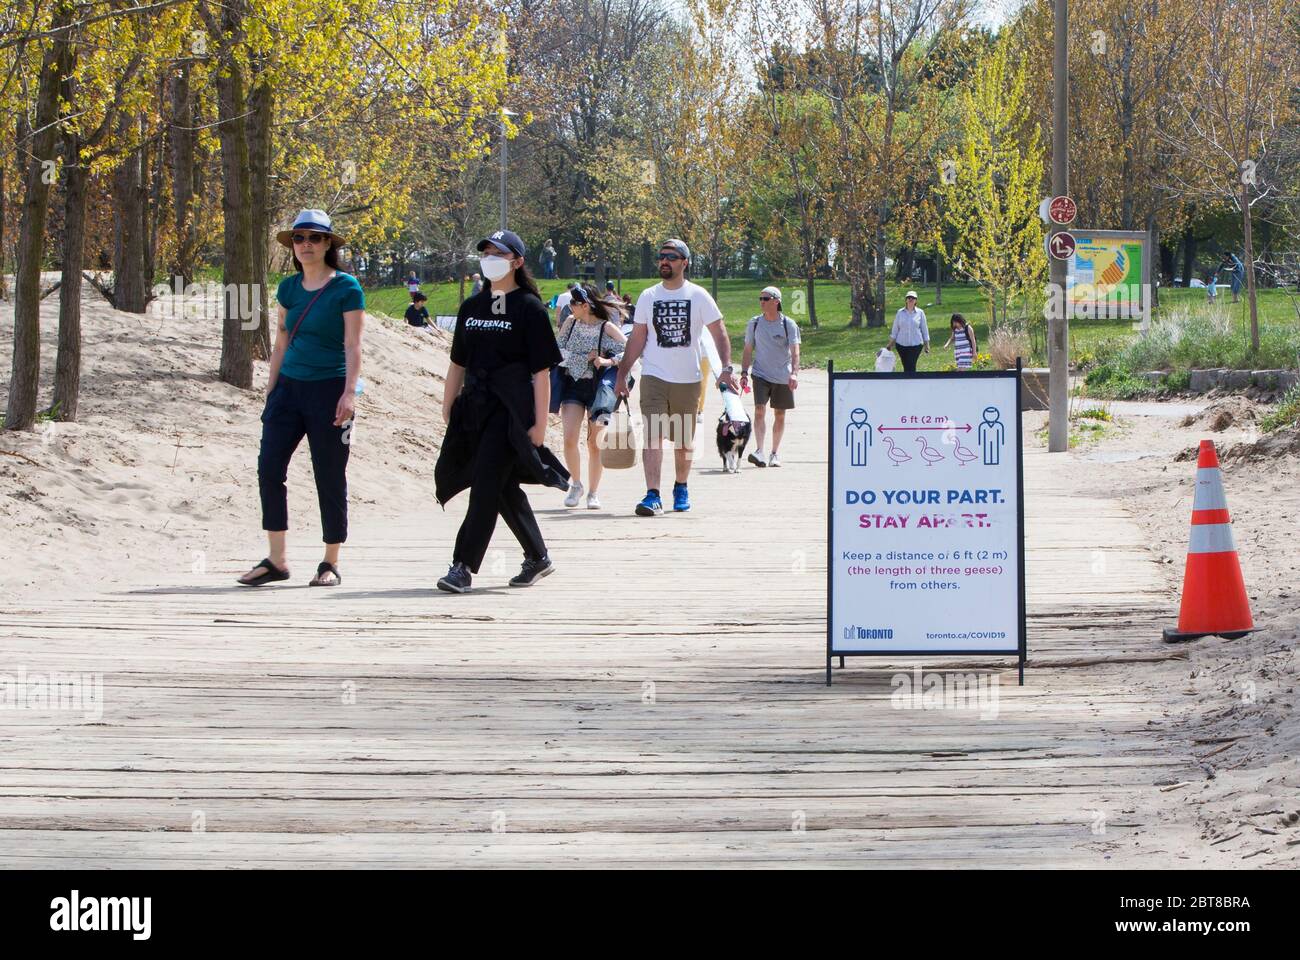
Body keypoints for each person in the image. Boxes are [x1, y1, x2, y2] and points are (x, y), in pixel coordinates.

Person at [433, 229, 569, 593]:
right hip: (474, 407)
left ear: (518, 262)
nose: (491, 257)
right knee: (502, 485)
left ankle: (462, 565)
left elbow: (542, 373)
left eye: (500, 253)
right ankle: (538, 557)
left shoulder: (529, 307)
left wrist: (541, 424)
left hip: (511, 409)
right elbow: (457, 363)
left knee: (486, 482)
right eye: (487, 251)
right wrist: (448, 406)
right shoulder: (471, 307)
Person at [238, 209, 364, 588]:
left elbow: (353, 344)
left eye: (313, 238)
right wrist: (272, 387)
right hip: (288, 390)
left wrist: (349, 394)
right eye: (298, 238)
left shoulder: (347, 288)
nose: (305, 245)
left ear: (328, 243)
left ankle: (330, 561)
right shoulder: (288, 288)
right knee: (269, 468)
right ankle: (276, 559)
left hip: (330, 389)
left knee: (329, 473)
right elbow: (281, 339)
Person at [615, 238, 736, 516]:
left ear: (685, 262)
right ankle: (652, 495)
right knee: (653, 436)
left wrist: (727, 368)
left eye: (671, 256)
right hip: (654, 376)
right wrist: (622, 374)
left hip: (688, 380)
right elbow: (637, 338)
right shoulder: (648, 296)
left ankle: (681, 486)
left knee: (682, 441)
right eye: (661, 256)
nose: (664, 261)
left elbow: (719, 332)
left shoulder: (698, 295)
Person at [555, 284, 627, 510]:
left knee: (594, 442)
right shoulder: (570, 323)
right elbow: (556, 351)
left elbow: (629, 351)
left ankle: (594, 492)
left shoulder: (606, 328)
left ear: (585, 306)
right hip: (572, 385)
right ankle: (576, 484)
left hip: (597, 388)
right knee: (569, 437)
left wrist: (608, 361)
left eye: (574, 304)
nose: (570, 308)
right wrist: (584, 357)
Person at [740, 285, 801, 468]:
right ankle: (759, 451)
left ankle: (774, 453)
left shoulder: (788, 324)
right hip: (760, 374)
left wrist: (794, 374)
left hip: (783, 376)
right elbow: (748, 349)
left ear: (776, 301)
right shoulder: (754, 323)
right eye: (760, 299)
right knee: (759, 409)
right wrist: (744, 372)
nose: (762, 302)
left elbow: (795, 352)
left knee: (779, 414)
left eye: (765, 299)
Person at [886, 290, 929, 372]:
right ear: (906, 300)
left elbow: (924, 329)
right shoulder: (900, 313)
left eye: (913, 298)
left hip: (916, 344)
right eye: (909, 298)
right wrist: (890, 344)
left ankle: (912, 382)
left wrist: (927, 345)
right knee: (906, 365)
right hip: (901, 345)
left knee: (911, 364)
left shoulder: (920, 313)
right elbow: (895, 329)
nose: (911, 299)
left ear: (916, 300)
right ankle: (907, 382)